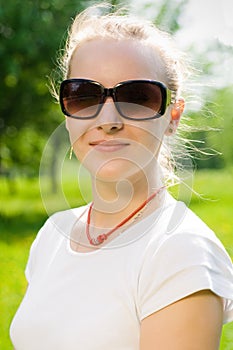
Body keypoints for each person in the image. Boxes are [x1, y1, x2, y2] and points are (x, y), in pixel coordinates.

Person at [10, 3, 233, 349]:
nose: (108, 118)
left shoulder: (180, 252)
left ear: (173, 115)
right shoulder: (52, 236)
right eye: (84, 95)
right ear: (66, 109)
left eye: (137, 97)